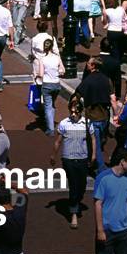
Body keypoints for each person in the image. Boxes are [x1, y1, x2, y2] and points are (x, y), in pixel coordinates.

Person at [51, 95, 93, 228]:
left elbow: (92, 139)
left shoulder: (86, 123)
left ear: (81, 111)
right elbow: (58, 141)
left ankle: (76, 201)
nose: (73, 114)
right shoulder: (64, 123)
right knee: (74, 185)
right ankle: (73, 213)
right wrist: (53, 155)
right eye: (72, 111)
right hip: (68, 158)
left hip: (82, 158)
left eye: (76, 112)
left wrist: (93, 155)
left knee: (82, 185)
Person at [78, 57, 118, 171]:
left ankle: (99, 167)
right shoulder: (107, 80)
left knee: (95, 143)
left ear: (93, 66)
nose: (87, 64)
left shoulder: (88, 80)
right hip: (105, 116)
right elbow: (113, 99)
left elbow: (78, 94)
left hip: (92, 116)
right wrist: (116, 115)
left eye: (89, 63)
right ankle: (94, 161)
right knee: (100, 141)